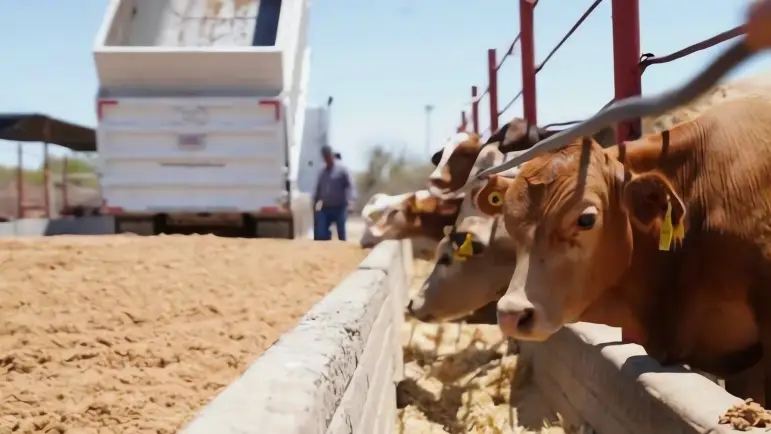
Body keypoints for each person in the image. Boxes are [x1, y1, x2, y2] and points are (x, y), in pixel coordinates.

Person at [313, 145, 356, 241]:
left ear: (332, 156)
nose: (327, 159)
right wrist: (315, 203)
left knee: (341, 235)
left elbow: (350, 186)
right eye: (325, 157)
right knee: (321, 234)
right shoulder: (322, 172)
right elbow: (318, 189)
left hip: (340, 208)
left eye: (328, 156)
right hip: (325, 208)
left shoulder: (342, 170)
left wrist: (351, 202)